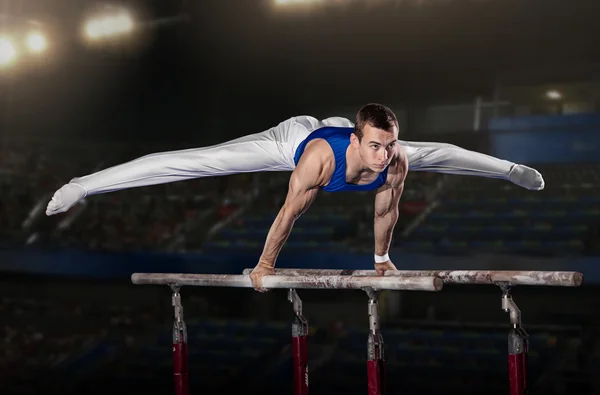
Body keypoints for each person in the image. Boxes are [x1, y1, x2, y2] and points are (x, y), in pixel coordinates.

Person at [45, 103, 544, 291]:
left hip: (338, 140)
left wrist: (382, 259)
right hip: (297, 140)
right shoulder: (319, 161)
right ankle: (83, 185)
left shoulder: (392, 155)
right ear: (356, 139)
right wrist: (264, 267)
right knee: (198, 160)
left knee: (443, 154)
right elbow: (288, 214)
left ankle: (513, 170)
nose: (383, 154)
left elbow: (387, 209)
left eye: (389, 144)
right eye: (375, 145)